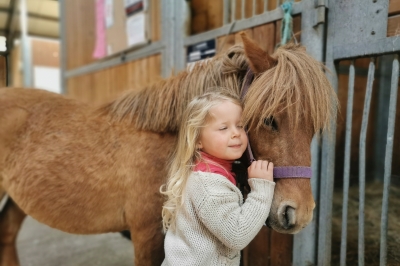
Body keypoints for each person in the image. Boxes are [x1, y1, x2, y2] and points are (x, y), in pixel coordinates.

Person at [161, 91, 275, 266]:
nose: (236, 133)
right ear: (197, 139)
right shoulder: (208, 185)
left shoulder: (204, 171)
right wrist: (261, 189)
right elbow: (237, 235)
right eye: (223, 128)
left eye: (241, 126)